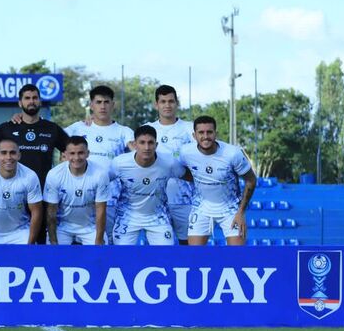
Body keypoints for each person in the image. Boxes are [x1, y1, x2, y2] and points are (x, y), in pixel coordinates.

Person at [0, 84, 68, 244]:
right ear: (20, 103)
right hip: (12, 194)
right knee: (13, 239)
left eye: (35, 98)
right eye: (27, 98)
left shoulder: (52, 128)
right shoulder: (7, 128)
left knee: (39, 241)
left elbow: (71, 150)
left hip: (42, 194)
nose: (31, 101)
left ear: (39, 101)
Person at [64, 85, 134, 242]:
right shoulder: (78, 127)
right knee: (79, 243)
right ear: (91, 105)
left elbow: (137, 151)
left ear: (113, 105)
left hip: (111, 199)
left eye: (106, 102)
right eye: (98, 102)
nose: (102, 106)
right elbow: (53, 137)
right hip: (79, 199)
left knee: (108, 242)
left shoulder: (124, 131)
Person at [179, 115, 257, 246]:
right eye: (201, 132)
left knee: (237, 257)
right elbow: (179, 171)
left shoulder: (233, 153)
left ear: (216, 133)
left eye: (209, 132)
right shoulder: (185, 152)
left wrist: (241, 212)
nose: (205, 136)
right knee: (193, 257)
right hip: (201, 208)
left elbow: (251, 180)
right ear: (194, 135)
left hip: (231, 209)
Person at [110, 125, 190, 245]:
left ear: (156, 145)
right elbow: (101, 181)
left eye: (150, 143)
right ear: (135, 144)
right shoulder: (120, 163)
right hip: (127, 216)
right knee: (123, 258)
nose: (146, 147)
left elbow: (190, 176)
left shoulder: (169, 162)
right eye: (142, 142)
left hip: (157, 216)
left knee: (164, 257)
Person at [144, 85, 195, 245]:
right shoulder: (147, 129)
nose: (167, 105)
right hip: (156, 201)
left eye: (171, 101)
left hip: (186, 199)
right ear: (156, 104)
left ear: (177, 103)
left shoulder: (189, 128)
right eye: (163, 101)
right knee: (161, 249)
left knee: (187, 246)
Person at [0, 138, 42, 244]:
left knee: (29, 258)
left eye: (13, 153)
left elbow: (36, 211)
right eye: (4, 153)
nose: (8, 157)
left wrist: (30, 245)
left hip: (20, 231)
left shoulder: (30, 176)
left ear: (19, 155)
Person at [44, 136, 109, 245]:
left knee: (100, 257)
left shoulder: (100, 174)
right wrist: (54, 242)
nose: (77, 157)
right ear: (65, 154)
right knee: (54, 259)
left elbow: (101, 210)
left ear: (88, 153)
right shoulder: (54, 175)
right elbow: (51, 212)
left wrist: (98, 240)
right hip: (62, 228)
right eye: (72, 153)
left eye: (81, 153)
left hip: (90, 227)